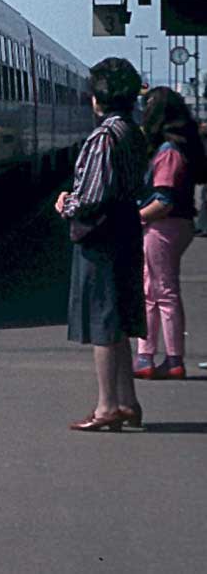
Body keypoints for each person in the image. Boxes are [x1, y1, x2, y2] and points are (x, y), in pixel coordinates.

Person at [54, 57, 149, 432]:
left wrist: (66, 205)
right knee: (119, 318)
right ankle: (127, 402)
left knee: (103, 320)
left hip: (102, 236)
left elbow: (93, 196)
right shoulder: (131, 131)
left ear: (98, 97)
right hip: (126, 227)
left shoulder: (104, 137)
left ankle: (107, 406)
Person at [133, 87, 205, 380]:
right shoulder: (176, 148)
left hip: (164, 227)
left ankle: (171, 359)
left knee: (162, 291)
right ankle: (147, 355)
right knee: (153, 291)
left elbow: (164, 201)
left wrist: (133, 218)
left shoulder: (168, 152)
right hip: (171, 226)